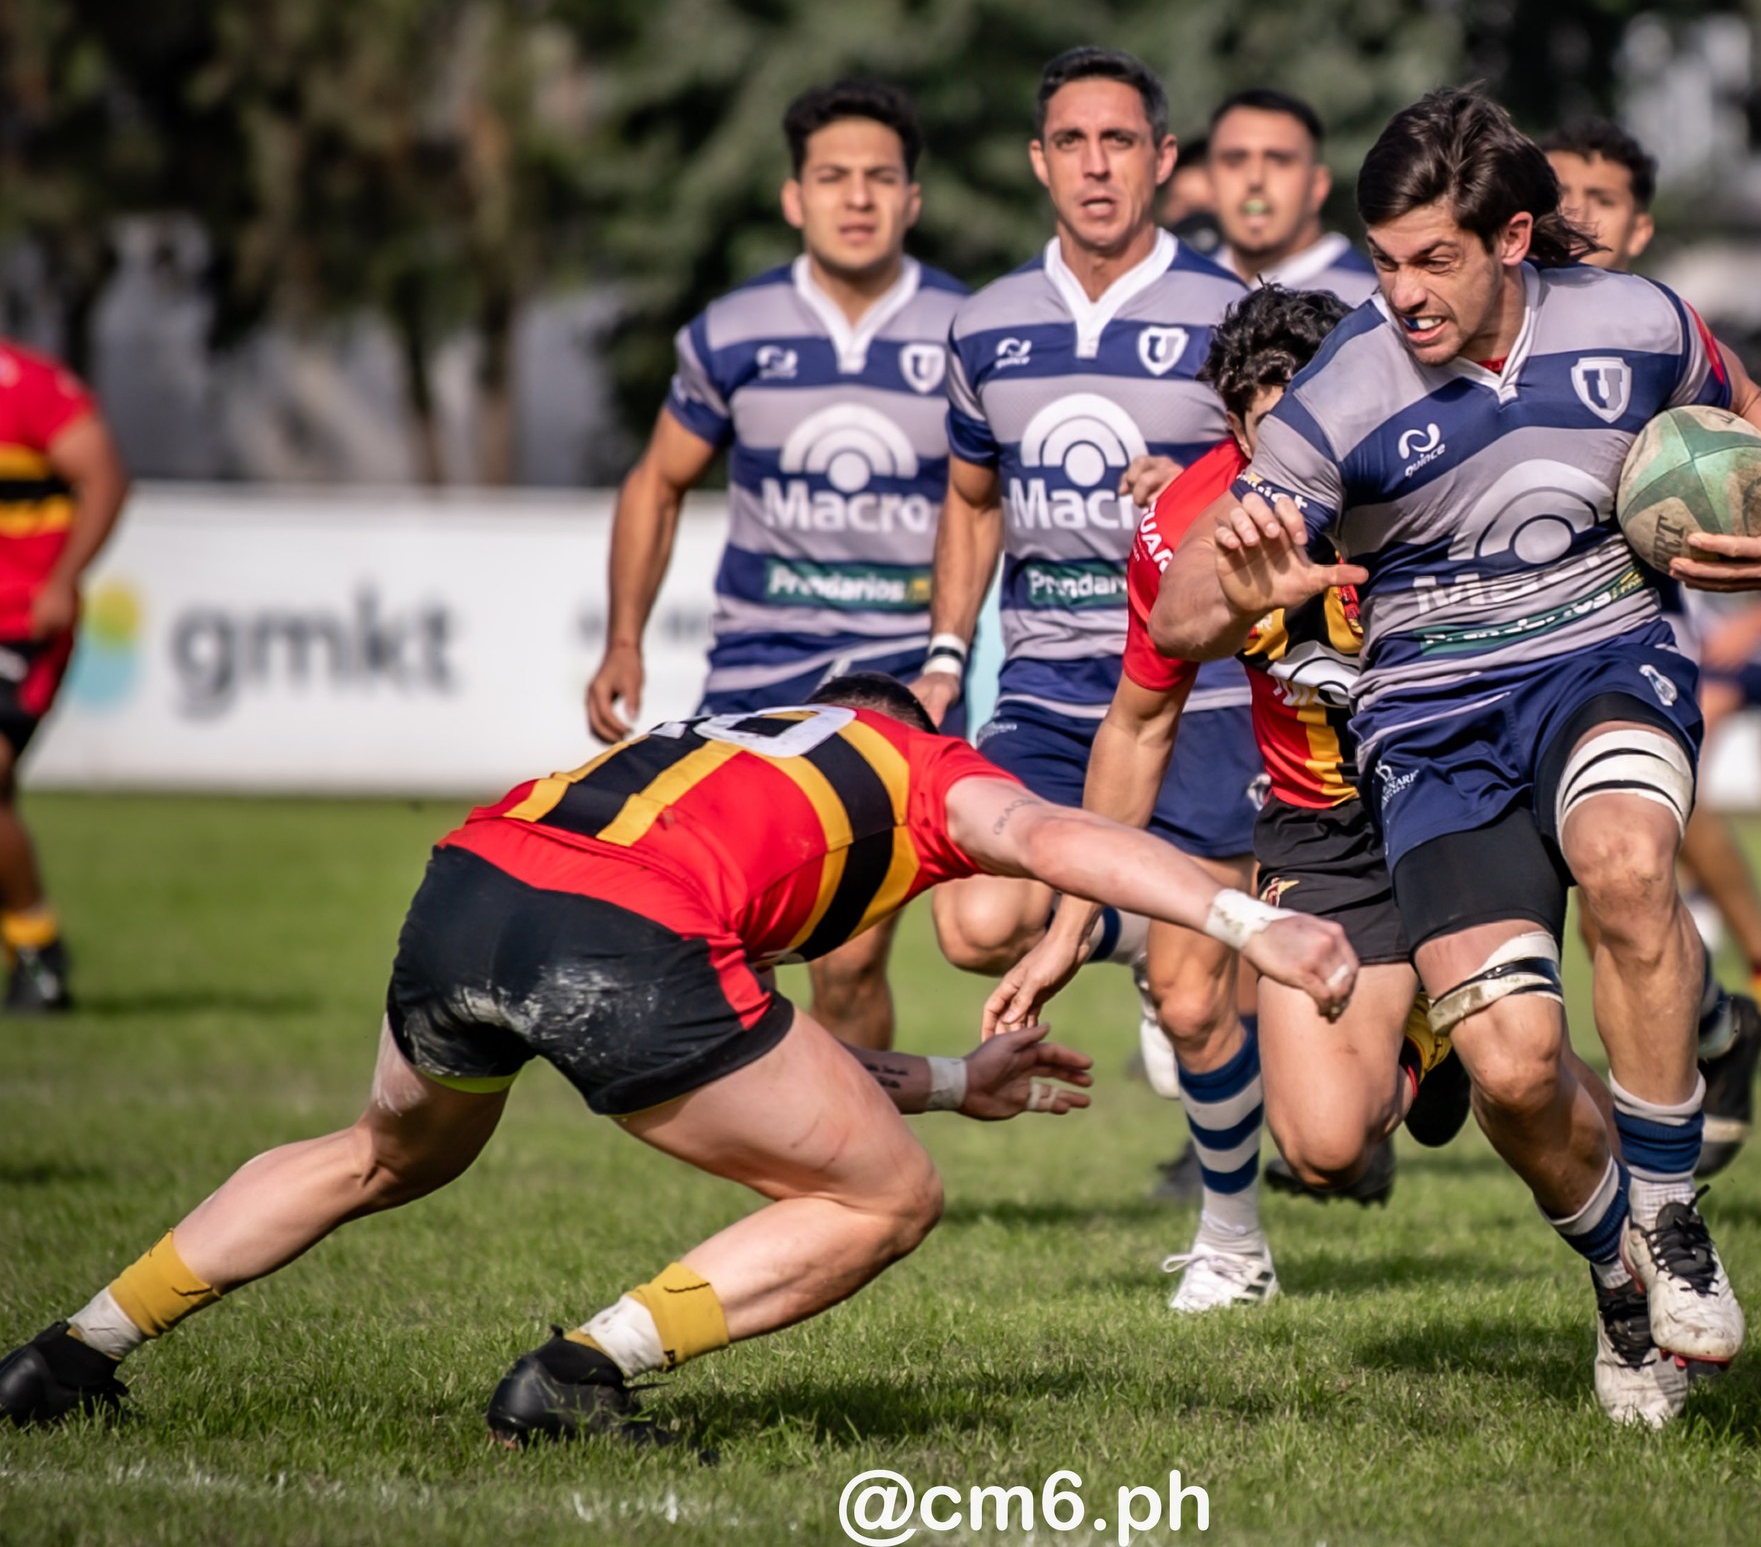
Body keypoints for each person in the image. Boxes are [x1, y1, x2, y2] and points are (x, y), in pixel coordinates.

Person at [0, 674, 1358, 1443]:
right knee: (886, 1197)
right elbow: (1066, 841)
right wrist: (1252, 926)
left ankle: (69, 1354)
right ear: (905, 721)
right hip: (624, 934)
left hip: (473, 882)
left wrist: (951, 1080)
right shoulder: (915, 766)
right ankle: (576, 1380)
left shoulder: (720, 745)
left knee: (377, 1156)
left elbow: (750, 1050)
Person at [1154, 87, 1761, 1426]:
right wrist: (1237, 573)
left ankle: (1676, 1217)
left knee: (1630, 861)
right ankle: (1620, 1287)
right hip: (1432, 724)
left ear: (1515, 237)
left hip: (1602, 660)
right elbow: (1181, 620)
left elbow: (1750, 405)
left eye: (1434, 260)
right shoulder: (1341, 389)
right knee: (1516, 1066)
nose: (1401, 294)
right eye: (1382, 260)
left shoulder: (1634, 323)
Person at [984, 286, 1476, 1289]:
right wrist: (1068, 927)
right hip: (1318, 818)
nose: (1294, 457)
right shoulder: (1184, 526)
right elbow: (1135, 721)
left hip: (1455, 790)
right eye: (1266, 434)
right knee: (1325, 1146)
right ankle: (1410, 1057)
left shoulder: (1436, 473)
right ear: (1230, 424)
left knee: (1522, 1068)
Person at [907, 48, 1267, 1305]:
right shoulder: (985, 322)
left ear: (1164, 161)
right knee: (972, 919)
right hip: (1051, 686)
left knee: (1192, 997)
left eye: (1121, 141)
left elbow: (1296, 478)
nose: (1097, 164)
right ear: (1038, 162)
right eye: (1072, 142)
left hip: (1203, 695)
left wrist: (1202, 493)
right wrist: (949, 655)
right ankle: (1118, 913)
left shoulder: (1230, 307)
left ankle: (1233, 1241)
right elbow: (967, 500)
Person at [583, 79, 966, 1050]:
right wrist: (622, 637)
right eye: (831, 177)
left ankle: (864, 1166)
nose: (856, 197)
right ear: (793, 197)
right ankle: (791, 1159)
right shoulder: (733, 332)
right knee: (734, 942)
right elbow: (655, 482)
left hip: (892, 680)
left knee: (848, 958)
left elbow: (990, 501)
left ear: (911, 200)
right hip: (755, 671)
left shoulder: (965, 332)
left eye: (880, 178)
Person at [1545, 116, 1761, 1086]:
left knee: (1629, 862)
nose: (1575, 213)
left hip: (1638, 626)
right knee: (1616, 883)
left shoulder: (1657, 340)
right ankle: (1752, 995)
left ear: (1638, 229)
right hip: (1522, 636)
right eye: (1559, 194)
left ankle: (1758, 988)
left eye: (1600, 200)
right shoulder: (1509, 326)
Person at [0, 342, 129, 1014]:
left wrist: (64, 580)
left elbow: (106, 476)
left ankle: (36, 945)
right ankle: (33, 944)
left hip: (22, 623)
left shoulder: (26, 385)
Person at [1205, 89, 1378, 306]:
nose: (1255, 179)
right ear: (1209, 182)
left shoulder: (1372, 299)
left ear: (1318, 186)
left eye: (1279, 161)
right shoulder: (1176, 288)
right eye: (1234, 160)